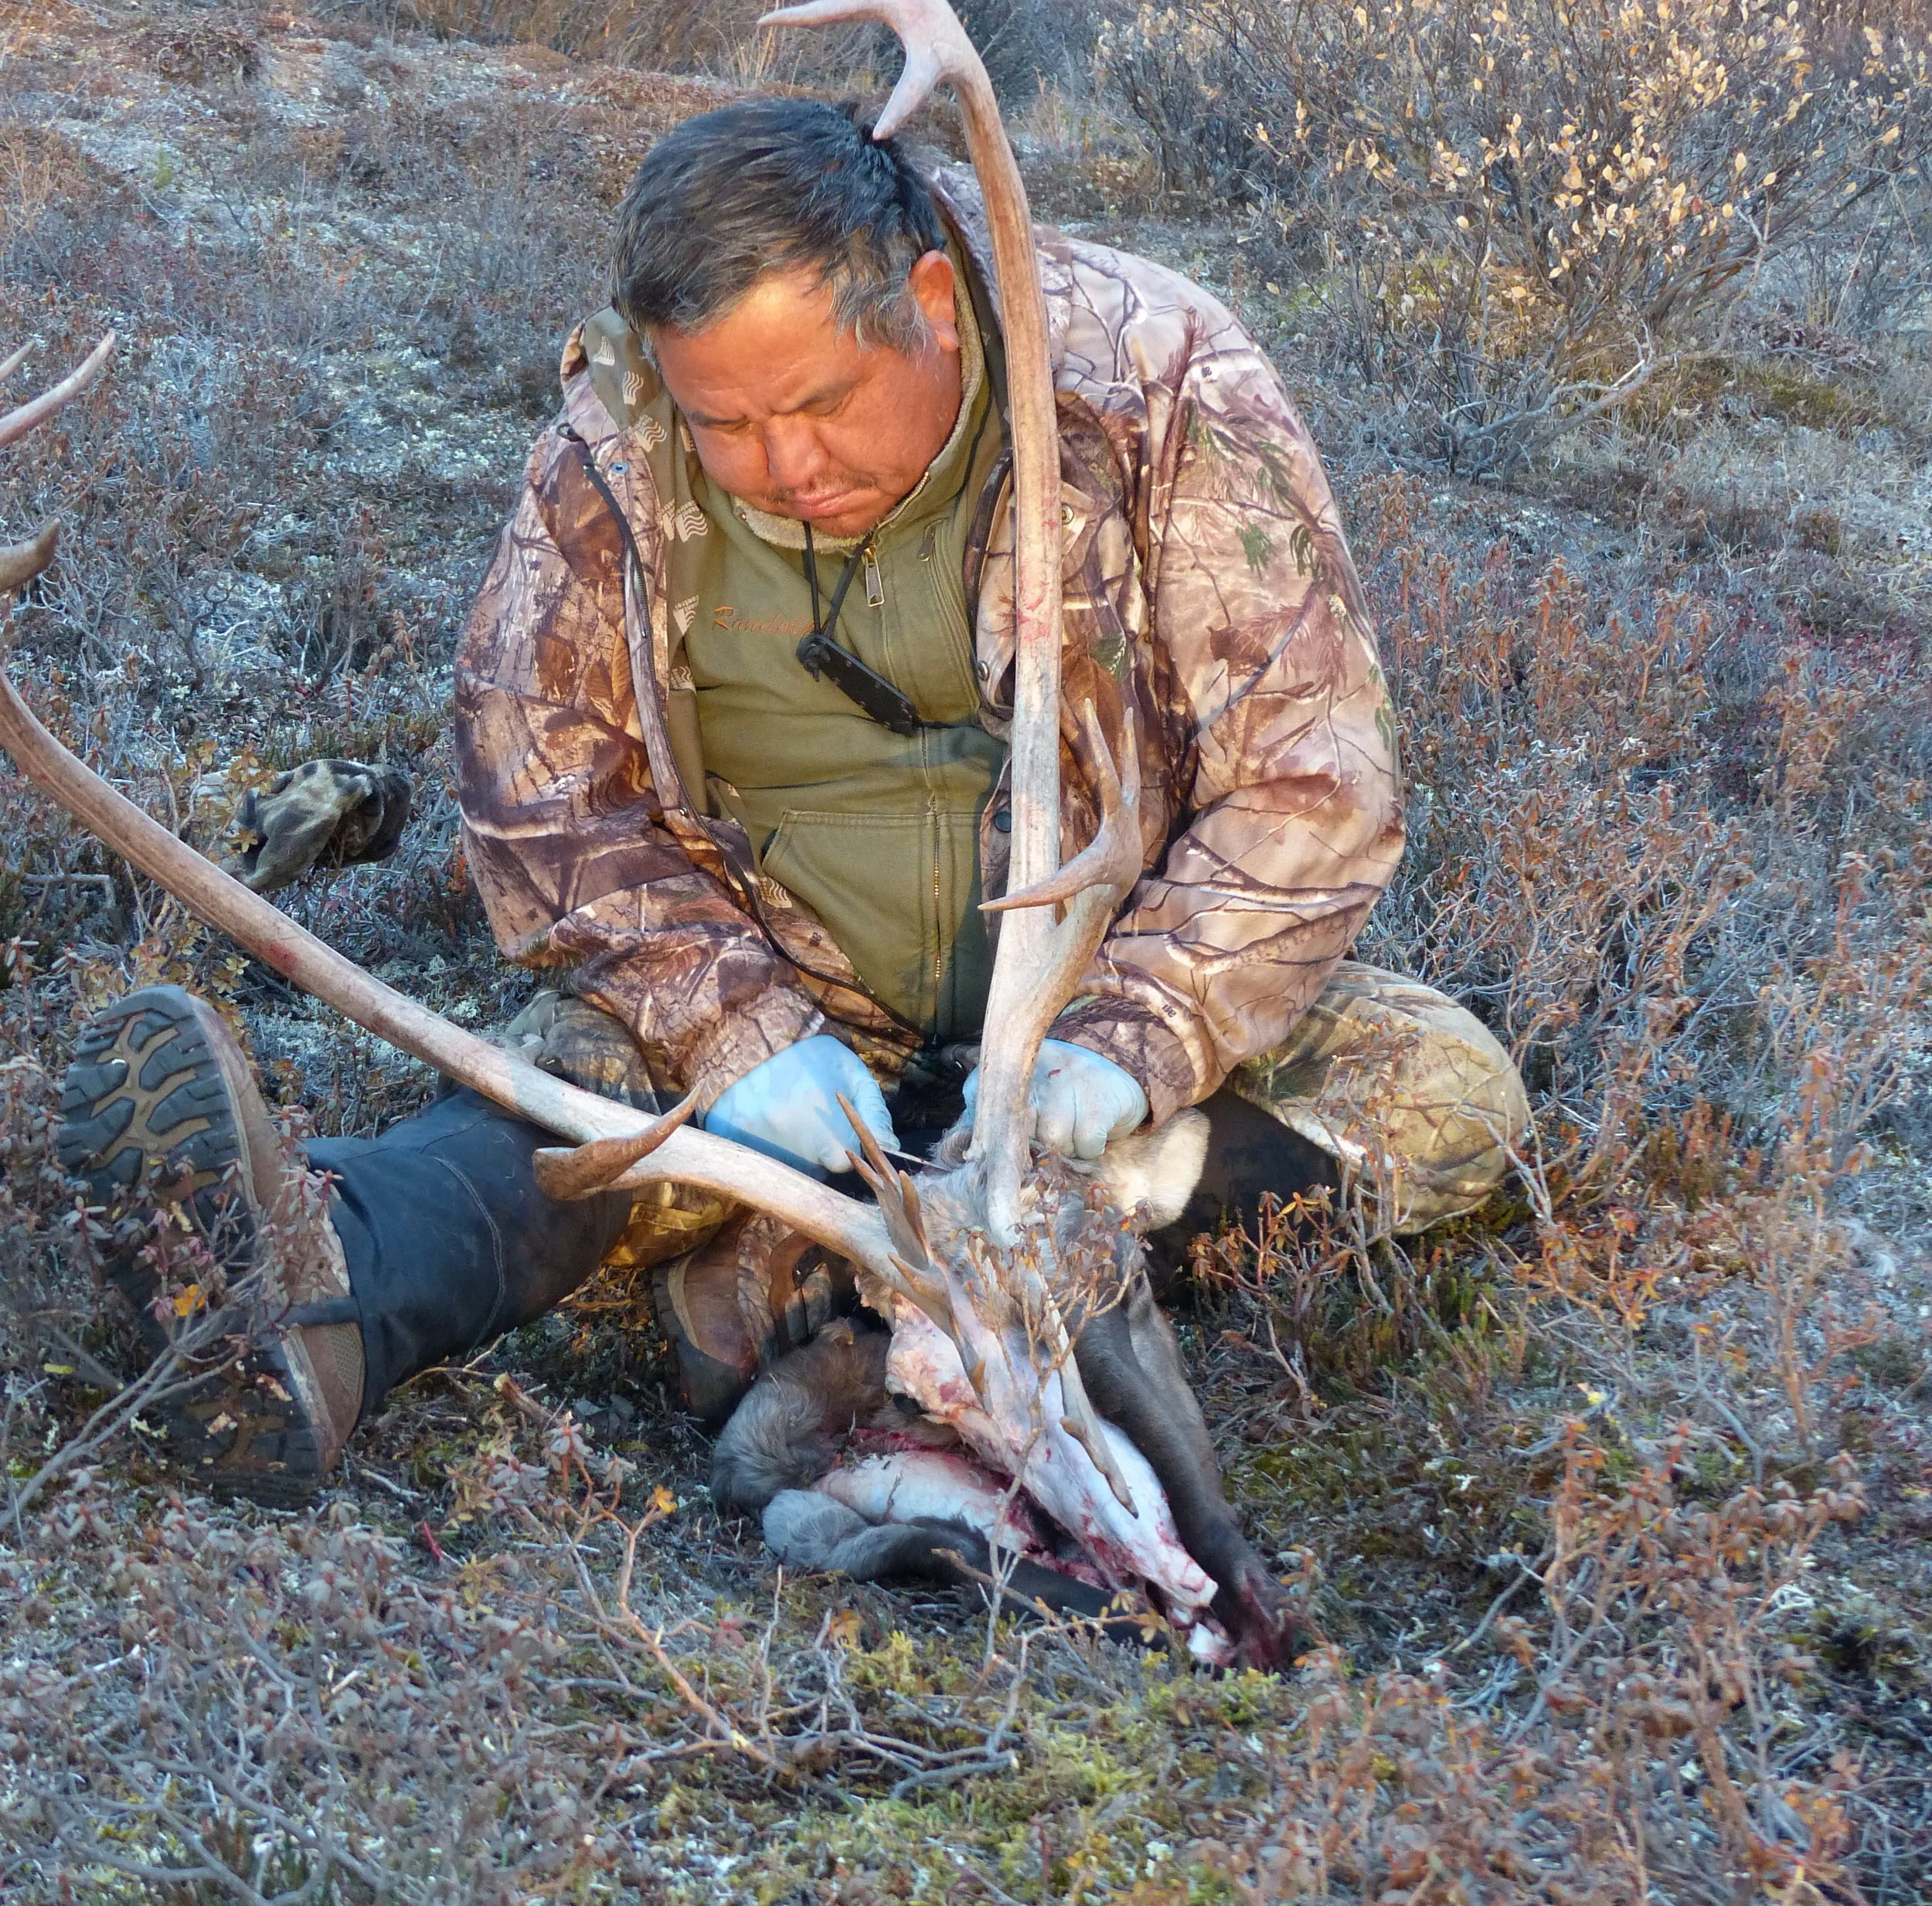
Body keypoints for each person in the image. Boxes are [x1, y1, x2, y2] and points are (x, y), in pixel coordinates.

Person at [56, 99, 1528, 1505]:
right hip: (775, 1014)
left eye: (822, 404)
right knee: (574, 1103)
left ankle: (872, 1260)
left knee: (1447, 1092)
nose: (785, 468)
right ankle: (312, 1296)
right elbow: (538, 789)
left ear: (936, 304)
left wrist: (1123, 1057)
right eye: (728, 425)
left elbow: (1310, 786)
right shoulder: (614, 447)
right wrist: (739, 1028)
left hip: (1089, 1005)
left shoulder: (1159, 381)